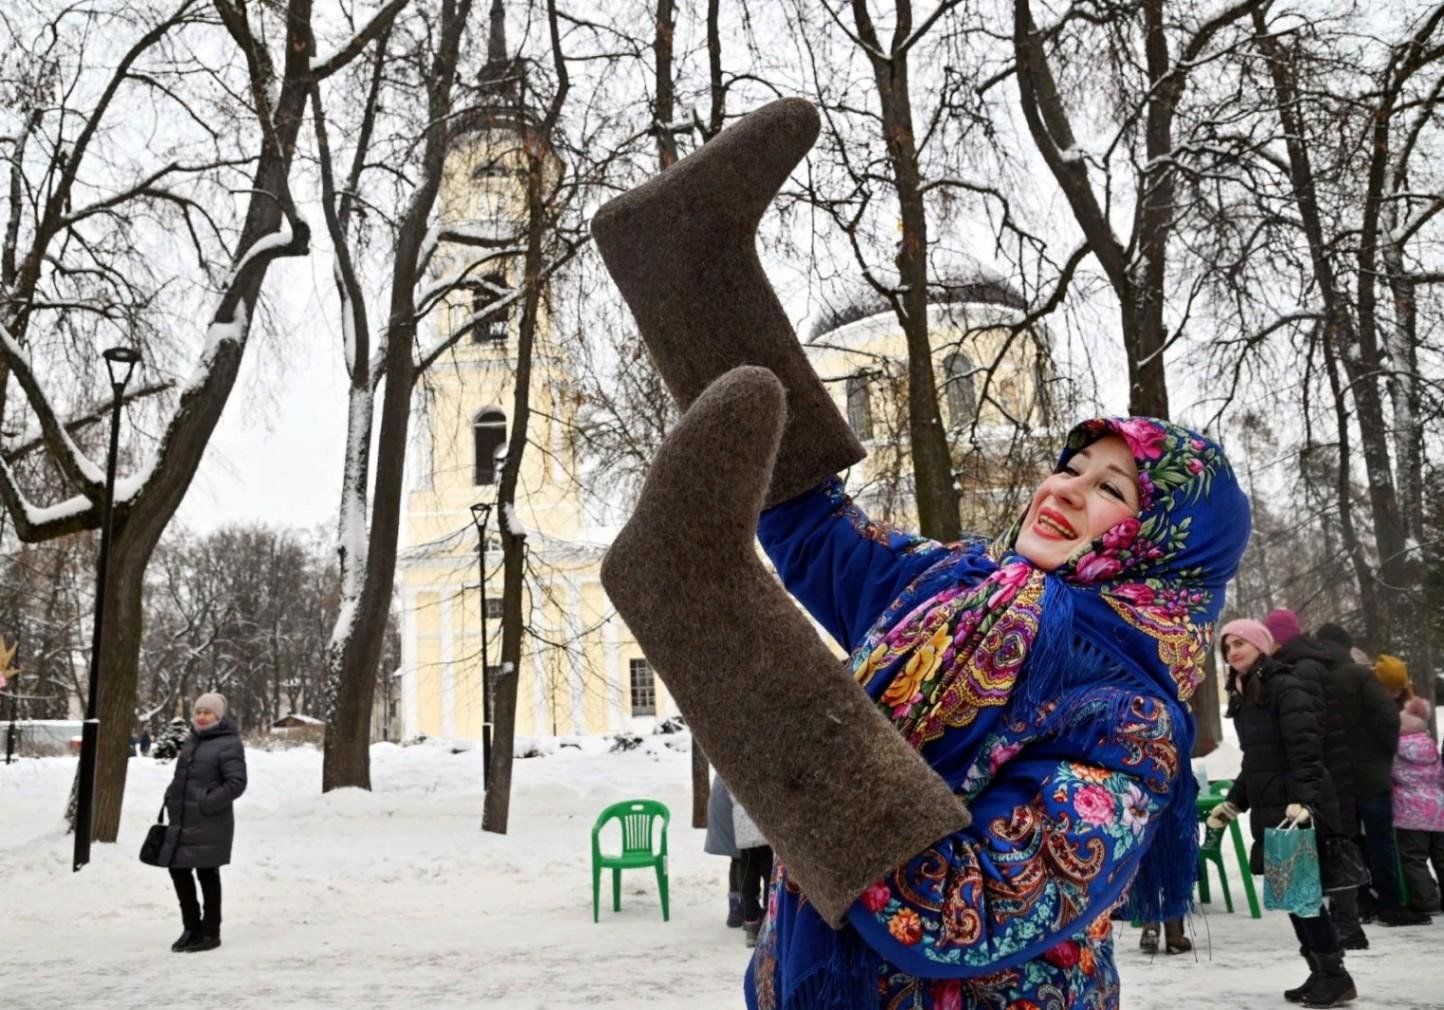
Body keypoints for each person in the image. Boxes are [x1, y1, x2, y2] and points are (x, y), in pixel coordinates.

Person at [592, 99, 1248, 1010]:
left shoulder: (1129, 714)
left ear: (1166, 547)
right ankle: (681, 249)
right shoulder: (951, 587)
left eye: (1112, 489)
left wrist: (723, 632)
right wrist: (701, 294)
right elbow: (806, 523)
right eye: (1070, 465)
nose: (1064, 488)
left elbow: (971, 904)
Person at [1208, 619, 1355, 1007]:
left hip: (1297, 811)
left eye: (1240, 643)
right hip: (1276, 807)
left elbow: (1306, 750)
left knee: (1302, 897)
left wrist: (1305, 801)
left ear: (1260, 645)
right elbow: (1258, 760)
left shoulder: (1285, 686)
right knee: (1291, 896)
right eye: (1227, 647)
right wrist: (1235, 801)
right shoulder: (1247, 693)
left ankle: (1336, 977)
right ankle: (1320, 972)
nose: (1232, 652)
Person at [1261, 611, 1374, 947]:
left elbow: (1308, 727)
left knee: (1332, 847)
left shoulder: (1300, 670)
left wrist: (1307, 773)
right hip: (1330, 765)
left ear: (1278, 639)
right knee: (1335, 843)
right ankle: (1345, 926)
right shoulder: (1311, 663)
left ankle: (1347, 928)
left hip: (1322, 768)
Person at [157, 692, 246, 953]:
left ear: (218, 716)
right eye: (199, 712)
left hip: (210, 821)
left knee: (207, 873)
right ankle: (191, 927)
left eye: (208, 712)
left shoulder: (229, 744)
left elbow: (236, 783)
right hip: (183, 819)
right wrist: (172, 794)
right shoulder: (192, 741)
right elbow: (183, 777)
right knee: (178, 869)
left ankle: (211, 932)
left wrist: (206, 802)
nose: (202, 716)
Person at [1392, 696, 1444, 918]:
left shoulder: (1395, 750)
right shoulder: (1432, 748)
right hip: (1439, 809)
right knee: (1441, 858)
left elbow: (1391, 776)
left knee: (1414, 859)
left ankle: (1426, 901)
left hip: (1409, 812)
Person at [704, 772, 744, 929]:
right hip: (734, 810)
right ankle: (744, 910)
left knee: (738, 859)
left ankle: (736, 909)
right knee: (744, 859)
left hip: (728, 806)